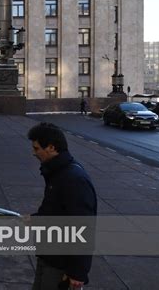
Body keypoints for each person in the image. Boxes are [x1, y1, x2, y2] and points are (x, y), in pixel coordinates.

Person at [27, 122, 97, 290]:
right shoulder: (57, 172)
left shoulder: (73, 178)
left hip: (60, 263)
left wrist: (77, 272)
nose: (33, 153)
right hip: (49, 255)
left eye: (37, 149)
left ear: (51, 147)